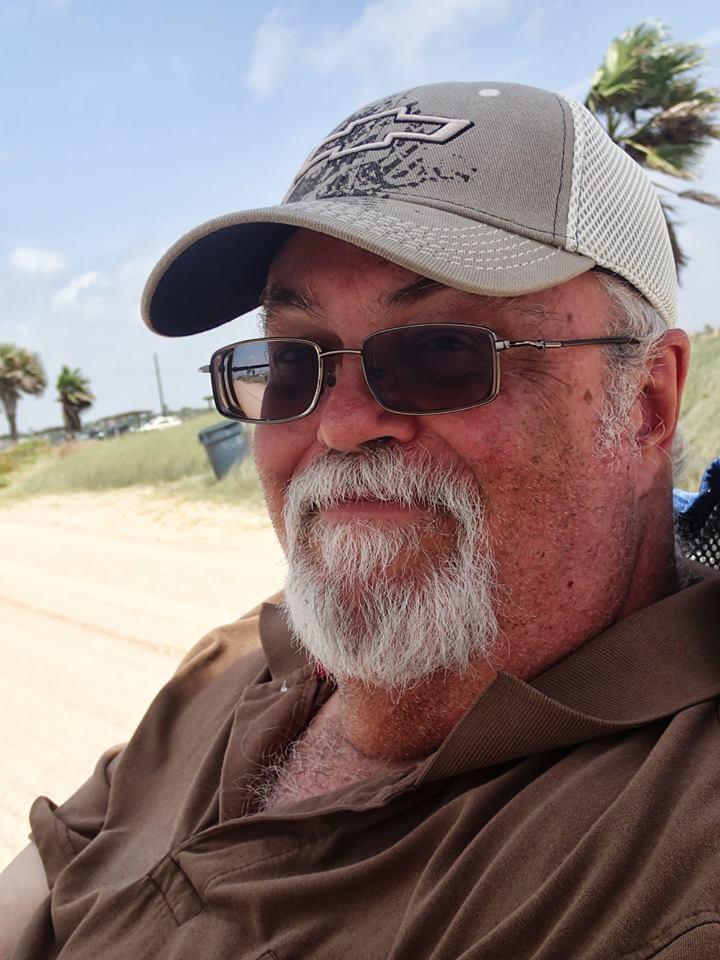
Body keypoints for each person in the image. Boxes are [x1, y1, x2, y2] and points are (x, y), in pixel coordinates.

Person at [3, 80, 719, 959]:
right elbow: (55, 866)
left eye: (442, 352)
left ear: (645, 402)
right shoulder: (245, 657)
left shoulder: (663, 858)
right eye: (292, 361)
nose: (340, 426)